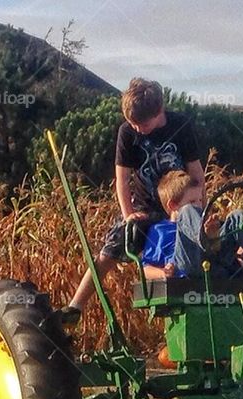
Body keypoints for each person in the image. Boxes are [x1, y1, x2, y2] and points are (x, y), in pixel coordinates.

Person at [60, 78, 205, 325]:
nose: (137, 128)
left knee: (198, 246)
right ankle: (76, 305)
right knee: (113, 246)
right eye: (132, 123)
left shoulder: (181, 126)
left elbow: (197, 175)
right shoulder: (127, 133)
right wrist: (128, 214)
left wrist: (197, 210)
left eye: (142, 124)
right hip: (143, 206)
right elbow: (122, 178)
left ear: (159, 112)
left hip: (178, 204)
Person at [140, 170, 243, 280]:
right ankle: (206, 238)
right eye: (192, 201)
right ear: (173, 205)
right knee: (187, 211)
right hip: (188, 267)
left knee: (237, 216)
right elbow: (146, 269)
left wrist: (240, 251)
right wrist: (163, 272)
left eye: (200, 200)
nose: (198, 206)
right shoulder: (159, 230)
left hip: (216, 263)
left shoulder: (209, 223)